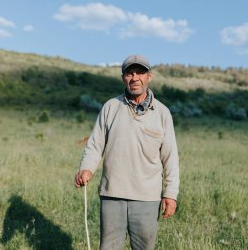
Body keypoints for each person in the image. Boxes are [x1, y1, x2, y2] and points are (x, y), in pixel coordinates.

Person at [74, 55, 180, 250]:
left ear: (149, 76)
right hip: (113, 194)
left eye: (140, 73)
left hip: (147, 198)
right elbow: (95, 145)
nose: (135, 78)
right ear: (123, 77)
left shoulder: (162, 113)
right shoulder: (111, 107)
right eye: (129, 73)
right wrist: (86, 169)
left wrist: (171, 194)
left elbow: (170, 157)